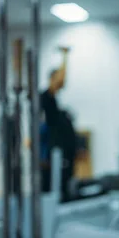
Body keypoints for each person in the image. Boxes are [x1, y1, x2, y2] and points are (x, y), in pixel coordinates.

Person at [40, 47, 77, 202]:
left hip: (64, 156)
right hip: (53, 157)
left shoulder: (55, 102)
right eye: (58, 78)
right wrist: (64, 57)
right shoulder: (45, 98)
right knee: (53, 192)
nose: (62, 81)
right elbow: (61, 79)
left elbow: (62, 80)